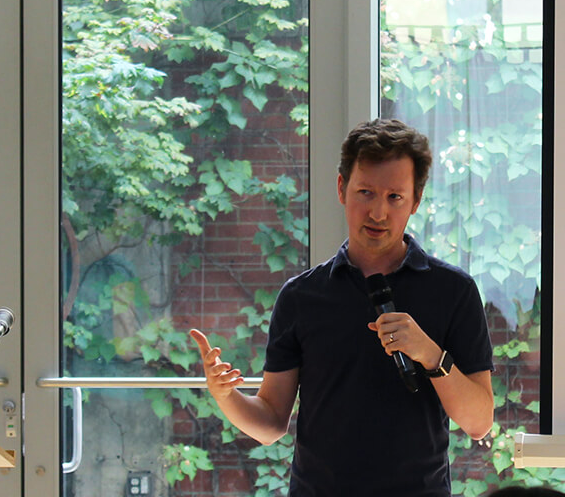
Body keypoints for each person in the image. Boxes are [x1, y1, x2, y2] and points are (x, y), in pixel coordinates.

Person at [190, 118, 494, 496]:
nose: (378, 213)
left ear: (415, 200)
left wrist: (430, 354)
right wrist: (225, 397)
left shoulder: (454, 290)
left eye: (394, 197)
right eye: (365, 192)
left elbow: (479, 422)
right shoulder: (302, 296)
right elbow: (270, 423)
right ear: (341, 188)